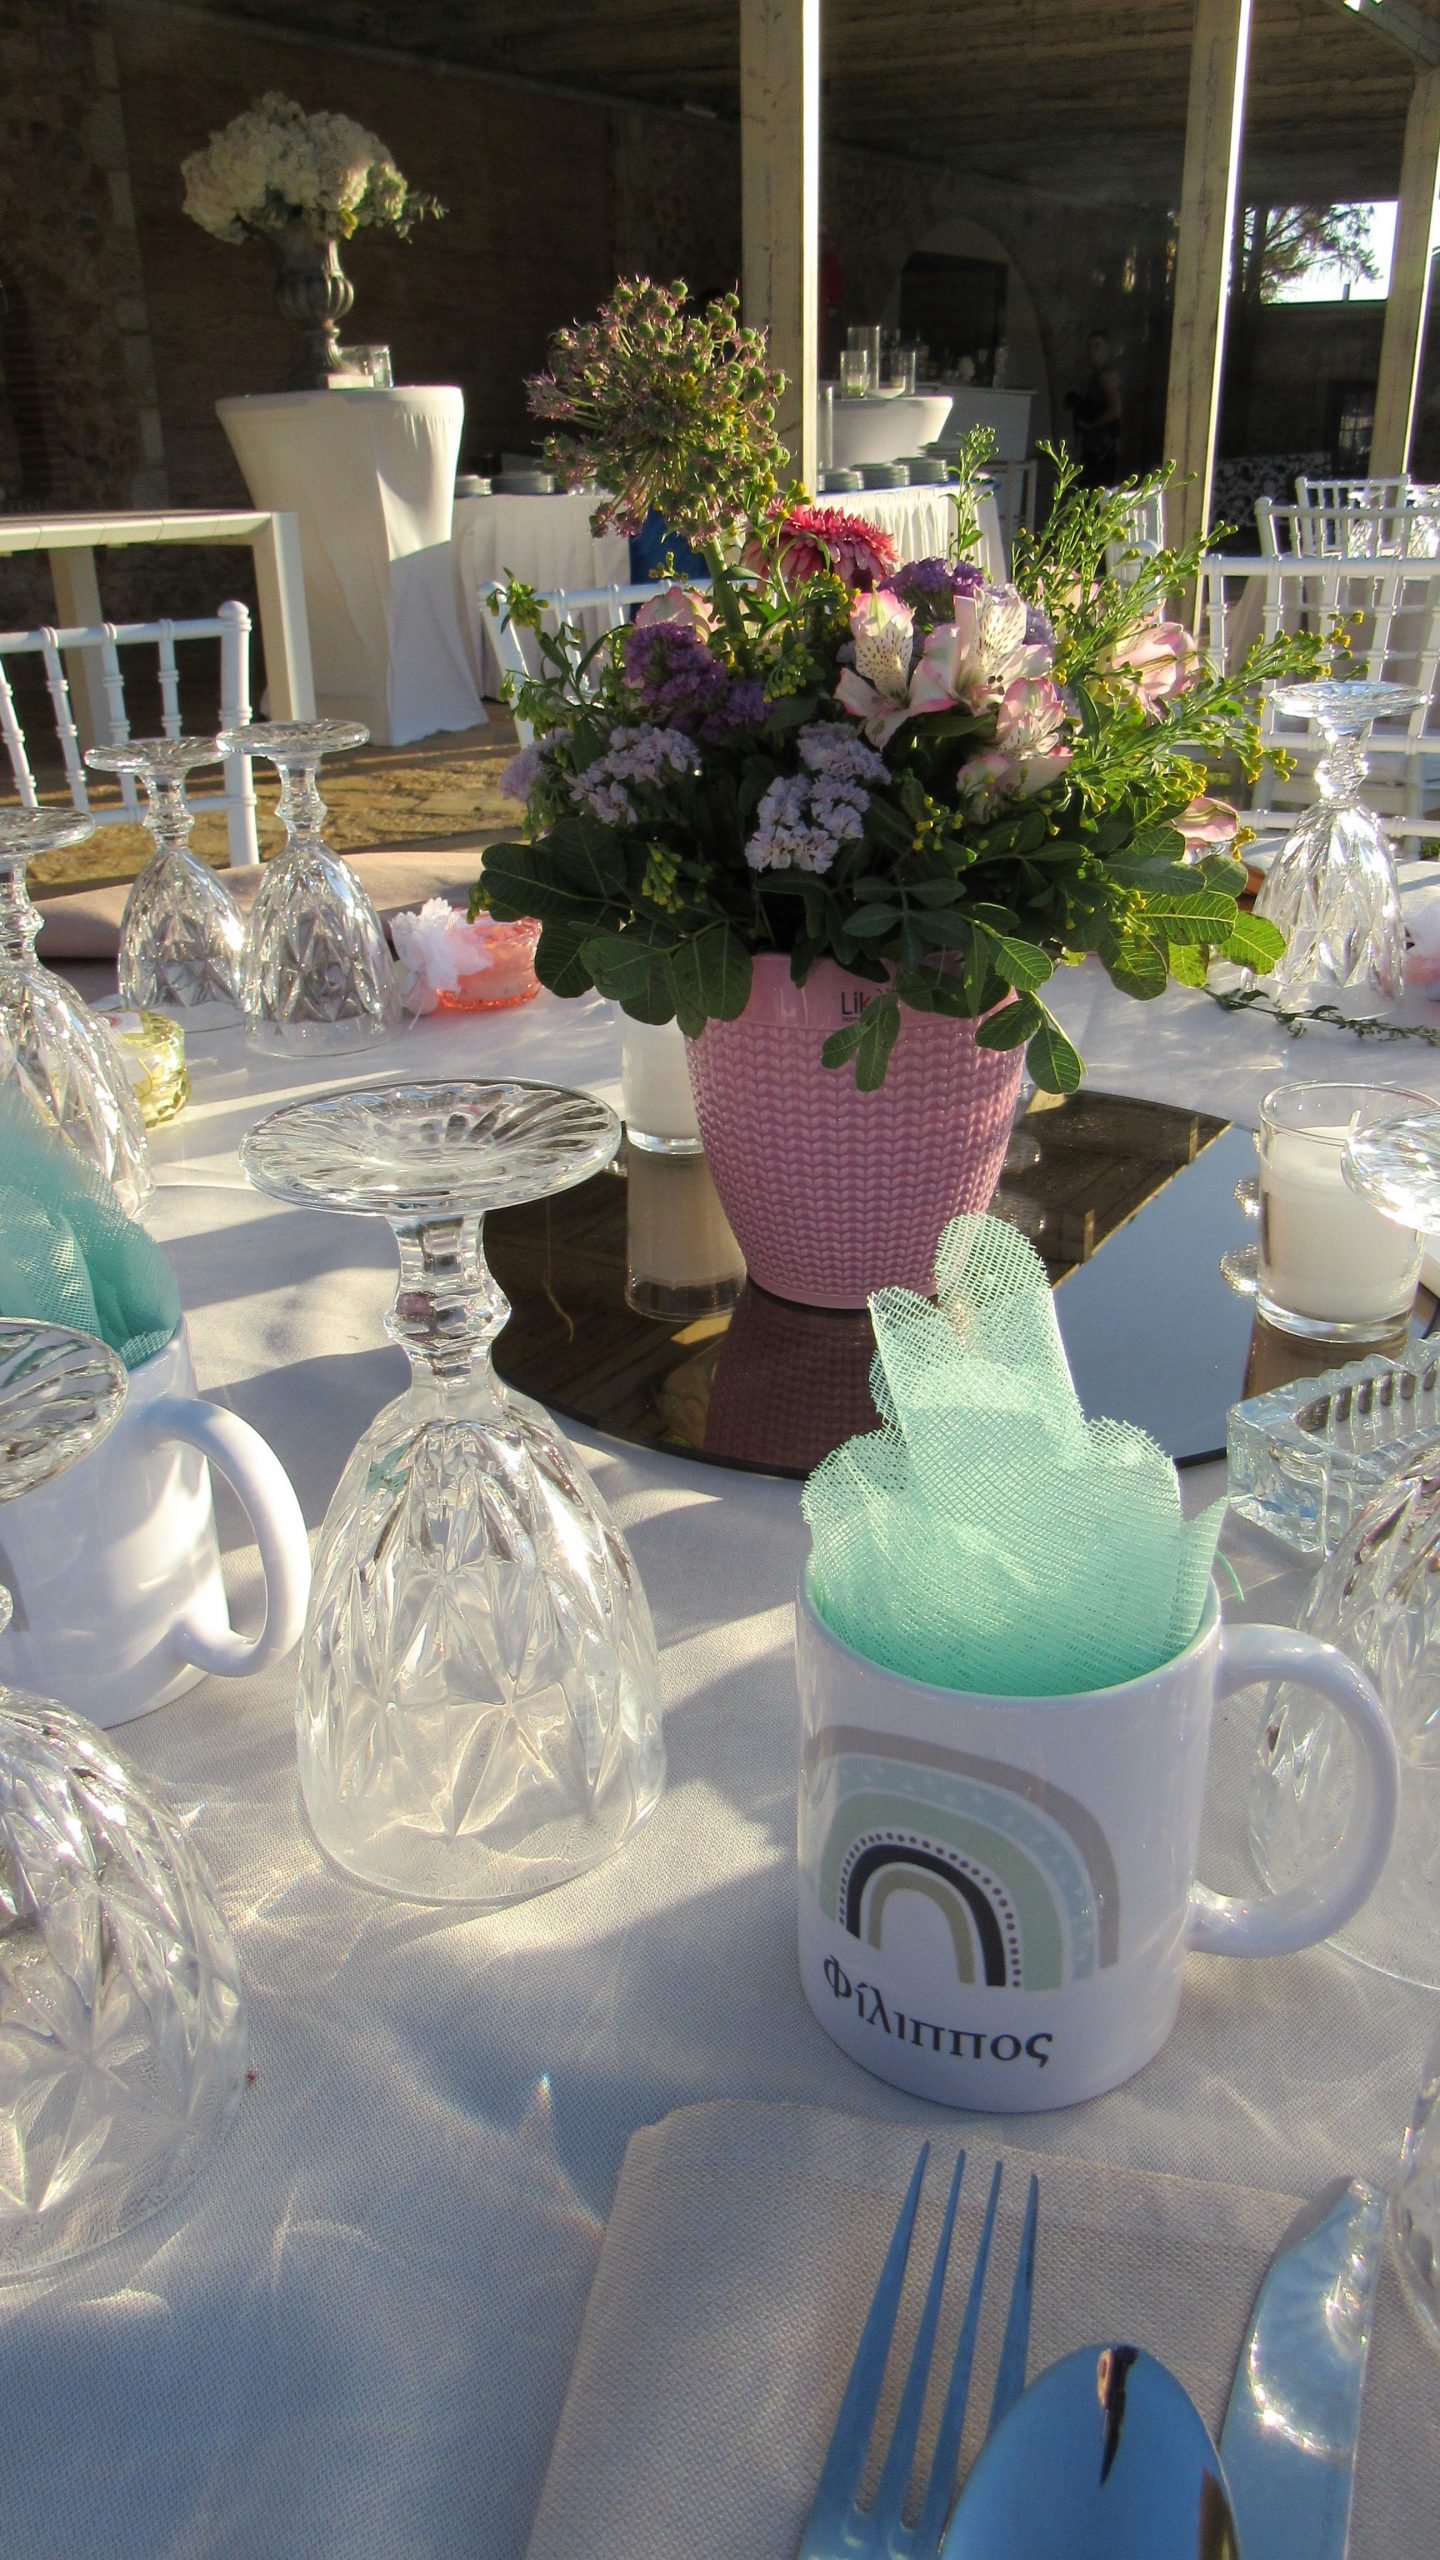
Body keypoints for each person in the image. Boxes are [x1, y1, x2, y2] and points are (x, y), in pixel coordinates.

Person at [1065, 332, 1123, 486]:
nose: (1092, 351)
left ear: (1107, 349)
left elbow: (1115, 410)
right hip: (1094, 447)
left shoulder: (1107, 376)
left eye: (1097, 346)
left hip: (1103, 449)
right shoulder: (1095, 375)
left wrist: (1093, 424)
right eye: (1090, 347)